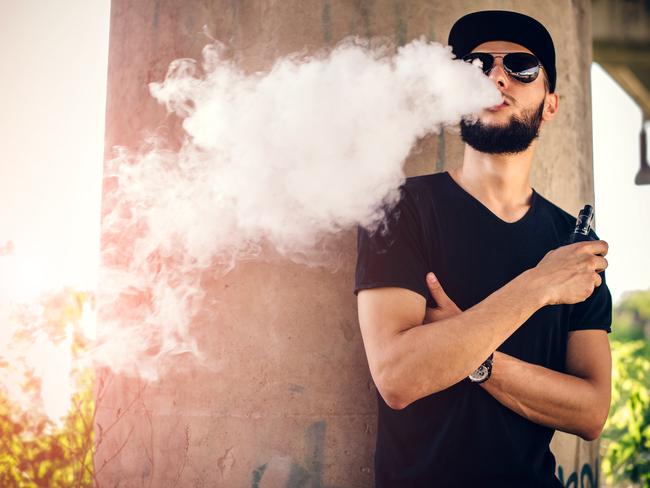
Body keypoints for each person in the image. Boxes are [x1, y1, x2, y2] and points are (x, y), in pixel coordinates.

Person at [354, 10, 613, 488]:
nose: (497, 75)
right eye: (476, 66)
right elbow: (398, 376)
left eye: (522, 66)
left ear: (550, 105)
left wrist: (473, 356)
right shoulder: (398, 207)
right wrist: (539, 285)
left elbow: (592, 412)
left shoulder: (573, 250)